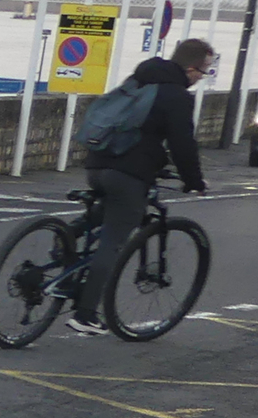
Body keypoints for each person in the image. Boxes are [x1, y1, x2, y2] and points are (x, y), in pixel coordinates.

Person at [66, 37, 212, 336]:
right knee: (115, 239)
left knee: (109, 210)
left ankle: (65, 237)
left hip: (96, 163)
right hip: (128, 173)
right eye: (203, 70)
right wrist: (193, 180)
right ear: (189, 68)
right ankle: (85, 315)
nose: (202, 77)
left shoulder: (139, 80)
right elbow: (183, 143)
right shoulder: (177, 97)